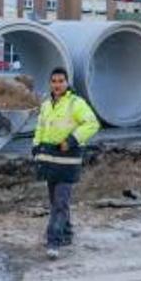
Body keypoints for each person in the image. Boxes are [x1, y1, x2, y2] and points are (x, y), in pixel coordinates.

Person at [32, 67, 101, 260]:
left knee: (60, 202)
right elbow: (40, 127)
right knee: (56, 201)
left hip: (68, 162)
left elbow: (92, 124)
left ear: (67, 83)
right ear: (50, 83)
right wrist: (36, 146)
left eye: (61, 81)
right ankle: (68, 233)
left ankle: (53, 241)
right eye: (53, 81)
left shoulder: (75, 103)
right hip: (49, 161)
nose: (57, 84)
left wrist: (72, 140)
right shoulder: (46, 105)